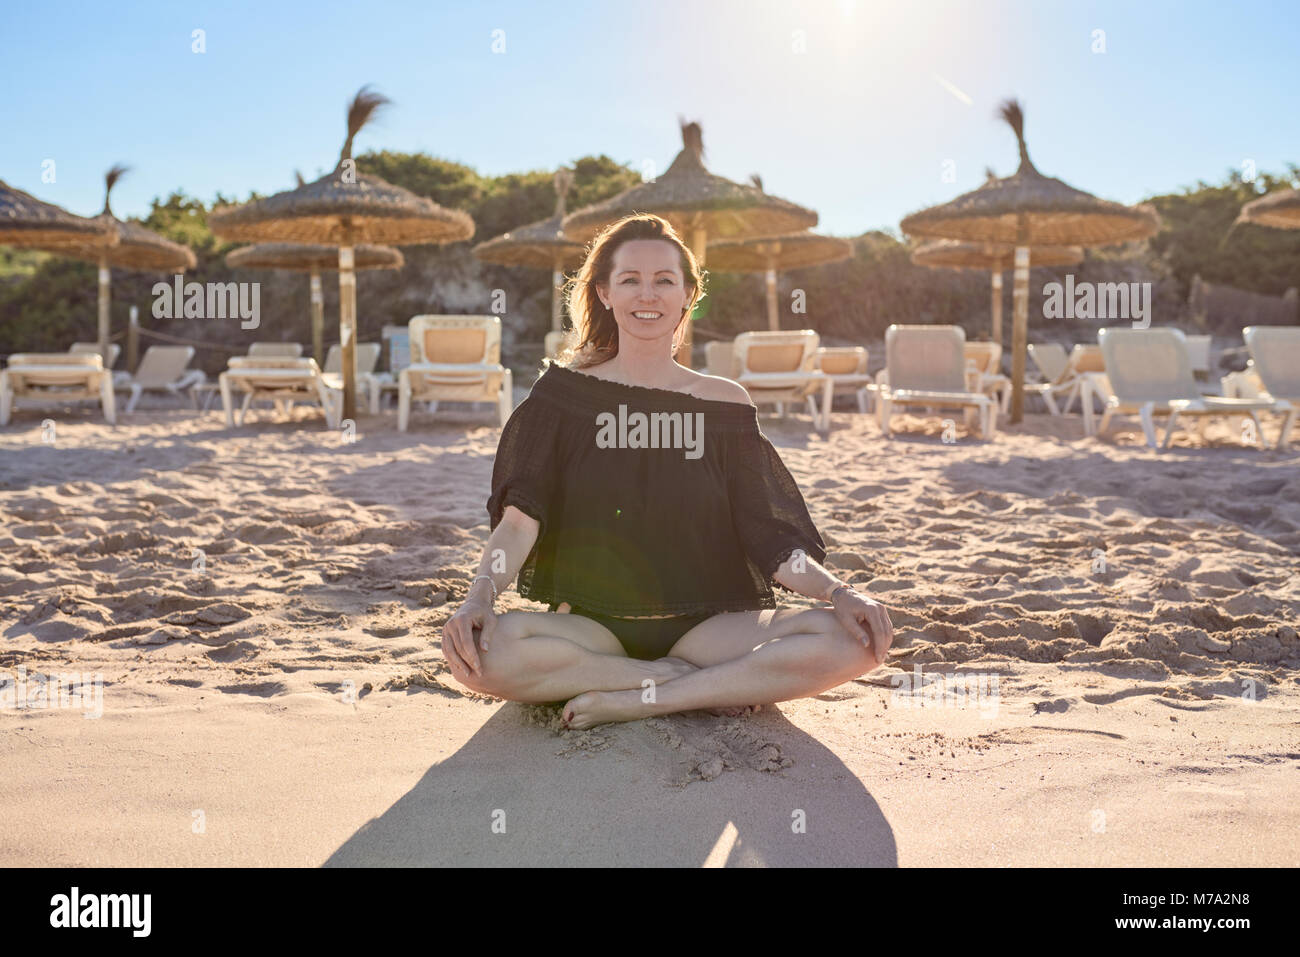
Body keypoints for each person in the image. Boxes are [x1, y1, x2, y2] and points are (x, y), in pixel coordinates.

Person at [441, 213, 893, 730]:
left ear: (688, 295)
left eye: (663, 281)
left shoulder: (725, 404)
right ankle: (672, 682)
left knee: (854, 641)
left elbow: (773, 541)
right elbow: (520, 523)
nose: (647, 295)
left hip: (707, 629)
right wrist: (478, 597)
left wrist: (840, 592)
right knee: (480, 654)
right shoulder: (561, 398)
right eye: (630, 280)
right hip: (591, 629)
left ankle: (643, 697)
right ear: (606, 293)